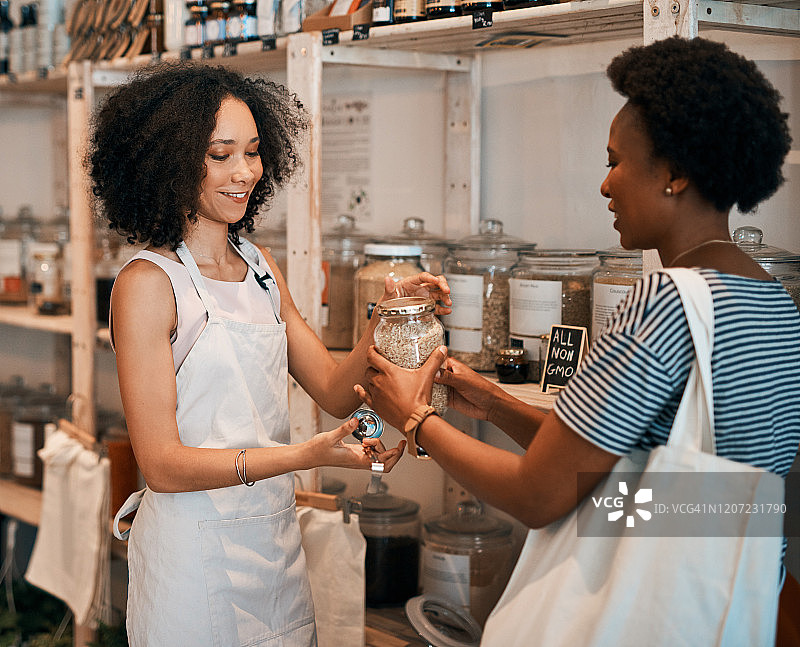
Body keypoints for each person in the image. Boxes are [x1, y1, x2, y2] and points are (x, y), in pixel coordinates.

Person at [357, 36, 800, 642]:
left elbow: (539, 493)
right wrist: (494, 403)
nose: (605, 185)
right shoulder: (771, 297)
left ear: (674, 174)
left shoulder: (664, 301)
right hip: (732, 605)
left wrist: (413, 418)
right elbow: (622, 462)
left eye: (616, 162)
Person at [87, 62, 450, 646]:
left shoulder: (258, 267)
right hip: (191, 559)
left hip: (274, 547)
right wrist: (303, 455)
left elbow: (333, 391)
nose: (245, 172)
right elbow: (163, 466)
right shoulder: (148, 284)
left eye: (253, 152)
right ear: (168, 163)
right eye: (220, 155)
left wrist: (384, 318)